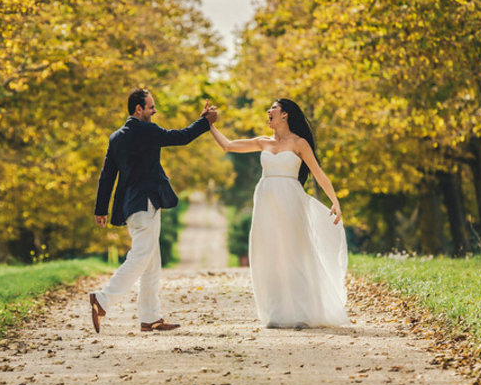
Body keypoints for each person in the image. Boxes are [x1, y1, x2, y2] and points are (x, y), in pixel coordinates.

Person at [208, 98, 350, 328]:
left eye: (273, 108)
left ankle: (303, 313)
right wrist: (209, 125)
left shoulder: (299, 143)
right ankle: (277, 313)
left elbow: (318, 174)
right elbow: (227, 145)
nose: (268, 111)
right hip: (265, 202)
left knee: (294, 255)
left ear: (285, 114)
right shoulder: (262, 142)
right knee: (269, 256)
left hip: (291, 201)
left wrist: (335, 201)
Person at [91, 88, 218, 333]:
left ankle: (150, 318)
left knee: (151, 262)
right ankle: (103, 299)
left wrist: (101, 209)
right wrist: (204, 122)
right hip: (145, 203)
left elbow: (106, 176)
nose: (154, 110)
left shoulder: (116, 137)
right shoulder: (145, 131)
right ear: (138, 109)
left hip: (131, 206)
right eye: (151, 106)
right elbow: (180, 137)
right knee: (140, 258)